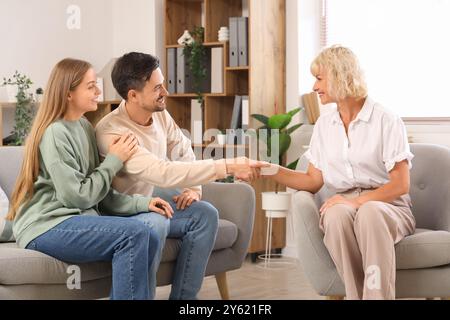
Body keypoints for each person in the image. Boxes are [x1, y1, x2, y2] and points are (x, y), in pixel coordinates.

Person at [95, 52, 264, 300]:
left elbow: (183, 150)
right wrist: (227, 165)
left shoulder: (159, 114)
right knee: (157, 223)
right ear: (133, 95)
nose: (166, 92)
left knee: (205, 214)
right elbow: (161, 172)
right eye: (157, 88)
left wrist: (194, 188)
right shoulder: (111, 131)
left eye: (163, 84)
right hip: (123, 210)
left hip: (151, 199)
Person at [8, 58, 175, 300]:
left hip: (73, 219)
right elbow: (76, 196)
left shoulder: (85, 127)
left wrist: (142, 203)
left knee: (146, 231)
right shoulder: (56, 133)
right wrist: (113, 160)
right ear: (68, 94)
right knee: (135, 233)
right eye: (90, 86)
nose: (99, 90)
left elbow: (99, 193)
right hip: (46, 227)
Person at [260, 46, 415, 300]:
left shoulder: (386, 119)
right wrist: (267, 169)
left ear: (340, 76)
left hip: (388, 205)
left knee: (369, 213)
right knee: (335, 215)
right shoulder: (324, 125)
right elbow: (312, 180)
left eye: (319, 78)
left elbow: (400, 185)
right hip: (345, 202)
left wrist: (355, 202)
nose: (314, 86)